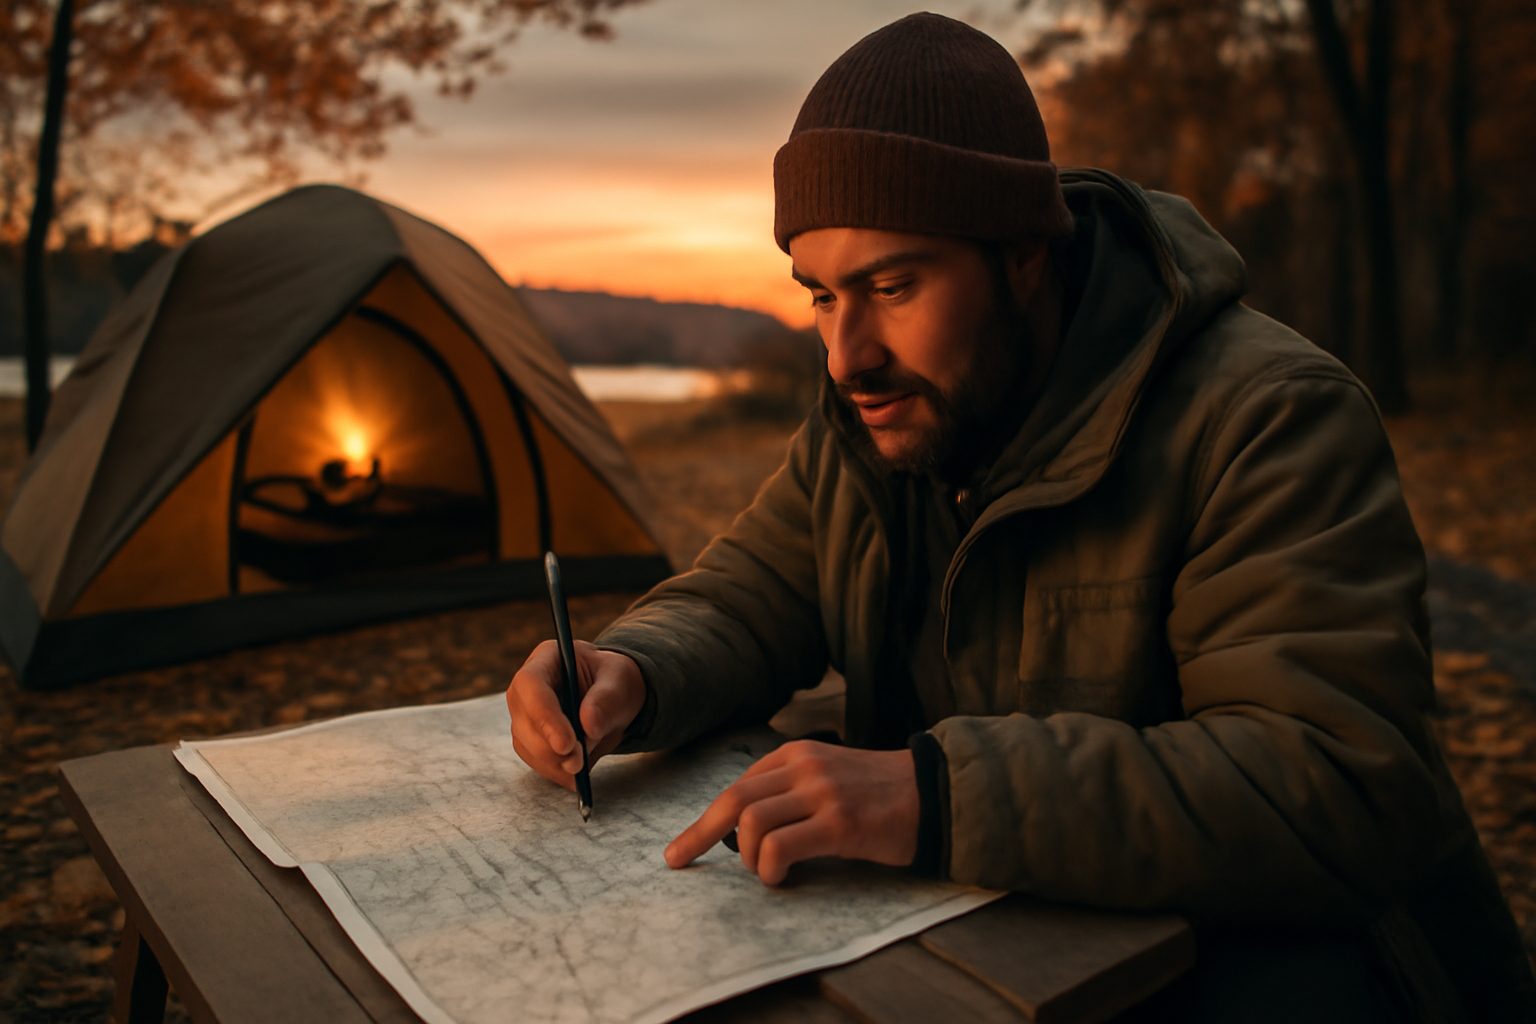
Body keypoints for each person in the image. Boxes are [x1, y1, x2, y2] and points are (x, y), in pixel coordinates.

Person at [506, 13, 1535, 1020]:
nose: (845, 353)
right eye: (820, 294)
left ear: (1024, 253)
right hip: (1004, 959)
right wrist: (636, 670)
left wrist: (935, 795)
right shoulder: (878, 411)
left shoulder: (1266, 418)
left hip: (1285, 976)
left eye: (891, 283)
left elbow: (1338, 783)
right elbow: (761, 587)